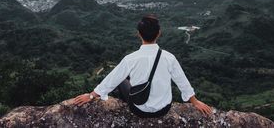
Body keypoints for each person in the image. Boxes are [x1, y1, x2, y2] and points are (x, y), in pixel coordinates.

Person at [73, 14, 212, 118]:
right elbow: (182, 82)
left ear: (138, 34)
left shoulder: (131, 59)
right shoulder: (169, 57)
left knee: (121, 80)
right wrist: (195, 102)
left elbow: (111, 80)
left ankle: (120, 103)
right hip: (163, 110)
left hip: (138, 109)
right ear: (159, 34)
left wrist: (91, 96)